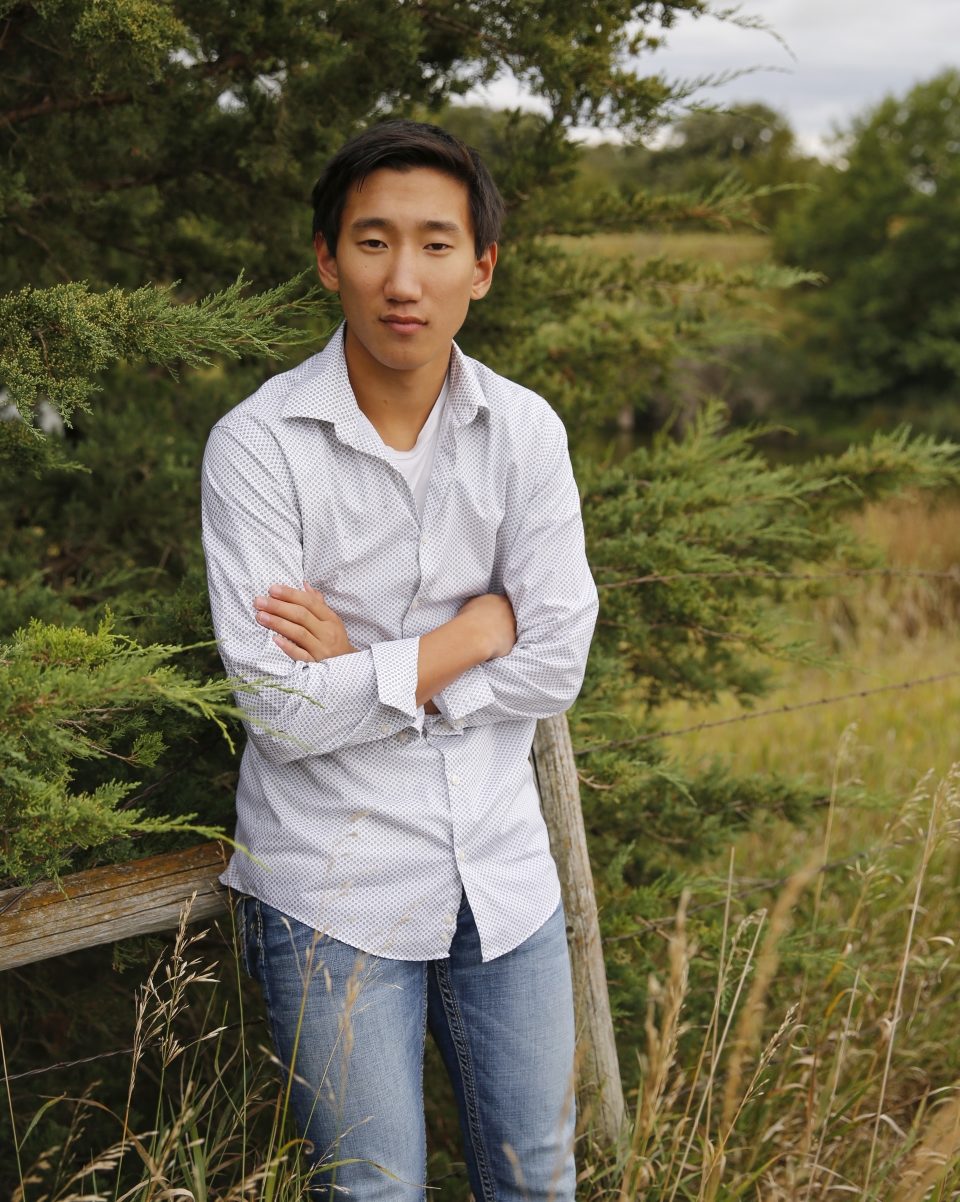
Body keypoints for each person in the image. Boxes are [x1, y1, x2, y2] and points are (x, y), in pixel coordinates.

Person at [200, 119, 598, 1201]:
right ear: (329, 258)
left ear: (482, 266)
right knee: (371, 1189)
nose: (403, 277)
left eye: (435, 243)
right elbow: (281, 708)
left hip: (504, 880)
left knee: (538, 1177)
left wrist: (369, 666)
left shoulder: (524, 434)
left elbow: (557, 657)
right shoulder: (258, 445)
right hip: (334, 886)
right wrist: (469, 634)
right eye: (373, 242)